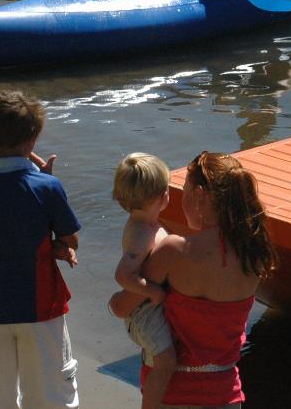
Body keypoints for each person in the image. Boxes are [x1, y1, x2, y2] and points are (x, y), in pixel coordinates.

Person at [110, 151, 278, 408]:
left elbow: (123, 307)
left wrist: (112, 303)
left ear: (199, 195)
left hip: (174, 395)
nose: (179, 199)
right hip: (226, 394)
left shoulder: (174, 250)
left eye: (184, 190)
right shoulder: (254, 253)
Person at [0, 91, 81, 408]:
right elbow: (71, 241)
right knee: (52, 389)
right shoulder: (46, 187)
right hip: (41, 306)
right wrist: (53, 244)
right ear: (33, 137)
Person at [111, 153, 177, 409]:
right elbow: (123, 275)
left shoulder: (145, 224)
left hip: (147, 308)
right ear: (163, 197)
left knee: (160, 360)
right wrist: (153, 292)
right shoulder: (141, 233)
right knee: (166, 361)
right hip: (144, 312)